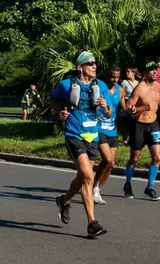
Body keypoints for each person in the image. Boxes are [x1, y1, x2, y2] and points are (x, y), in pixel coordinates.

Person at [50, 51, 107, 238]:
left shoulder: (101, 86)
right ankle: (92, 223)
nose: (94, 66)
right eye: (90, 63)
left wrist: (106, 106)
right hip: (74, 133)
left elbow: (108, 113)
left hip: (93, 135)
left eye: (95, 63)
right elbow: (53, 99)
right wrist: (61, 112)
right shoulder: (66, 84)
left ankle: (64, 201)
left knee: (83, 177)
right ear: (80, 67)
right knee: (89, 176)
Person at [124, 60, 160, 201]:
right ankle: (128, 184)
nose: (154, 72)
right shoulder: (139, 88)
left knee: (157, 157)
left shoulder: (158, 86)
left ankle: (150, 187)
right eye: (151, 70)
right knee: (134, 158)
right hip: (138, 125)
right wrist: (141, 109)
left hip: (153, 125)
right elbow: (129, 108)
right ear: (145, 73)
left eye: (156, 70)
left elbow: (157, 102)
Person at [92, 64, 125, 205]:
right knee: (107, 159)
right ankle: (92, 186)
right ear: (107, 75)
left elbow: (123, 107)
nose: (115, 79)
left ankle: (96, 189)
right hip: (99, 128)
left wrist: (130, 110)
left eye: (117, 77)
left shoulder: (121, 90)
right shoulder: (99, 87)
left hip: (112, 129)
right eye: (112, 76)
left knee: (111, 164)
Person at [119, 67, 140, 145]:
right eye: (126, 72)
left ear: (133, 73)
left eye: (129, 71)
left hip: (136, 104)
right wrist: (123, 106)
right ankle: (125, 139)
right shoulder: (124, 82)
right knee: (127, 122)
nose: (127, 73)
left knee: (135, 122)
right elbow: (122, 95)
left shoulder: (138, 82)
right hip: (127, 102)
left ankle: (134, 138)